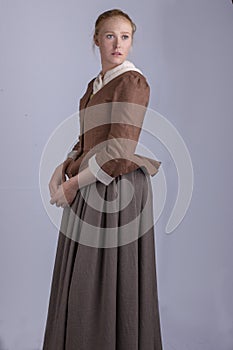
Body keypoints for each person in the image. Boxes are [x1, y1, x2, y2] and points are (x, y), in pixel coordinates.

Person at [42, 8, 163, 350]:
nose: (118, 44)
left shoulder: (132, 81)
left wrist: (71, 184)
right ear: (96, 40)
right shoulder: (96, 86)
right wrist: (63, 165)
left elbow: (121, 150)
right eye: (110, 36)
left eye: (125, 37)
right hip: (90, 182)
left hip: (118, 186)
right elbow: (88, 139)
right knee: (82, 281)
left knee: (105, 281)